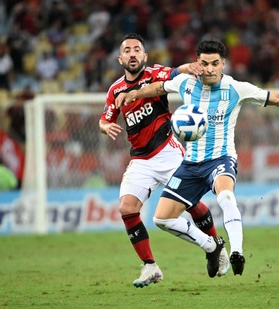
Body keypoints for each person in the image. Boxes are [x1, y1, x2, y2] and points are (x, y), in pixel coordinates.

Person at [115, 39, 279, 276]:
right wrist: (134, 94)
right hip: (190, 164)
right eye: (204, 63)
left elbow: (277, 98)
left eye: (215, 63)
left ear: (223, 64)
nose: (210, 69)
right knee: (161, 219)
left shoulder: (236, 88)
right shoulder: (186, 83)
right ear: (198, 63)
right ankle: (211, 245)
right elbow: (159, 88)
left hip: (221, 159)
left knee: (225, 194)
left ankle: (237, 251)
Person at [99, 34, 229, 288]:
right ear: (120, 58)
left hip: (168, 151)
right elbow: (105, 118)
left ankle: (216, 247)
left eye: (138, 49)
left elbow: (173, 72)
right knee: (127, 208)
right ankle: (150, 267)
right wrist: (105, 126)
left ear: (145, 56)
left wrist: (189, 67)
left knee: (191, 204)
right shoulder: (115, 90)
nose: (133, 53)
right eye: (128, 50)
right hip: (140, 160)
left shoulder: (153, 74)